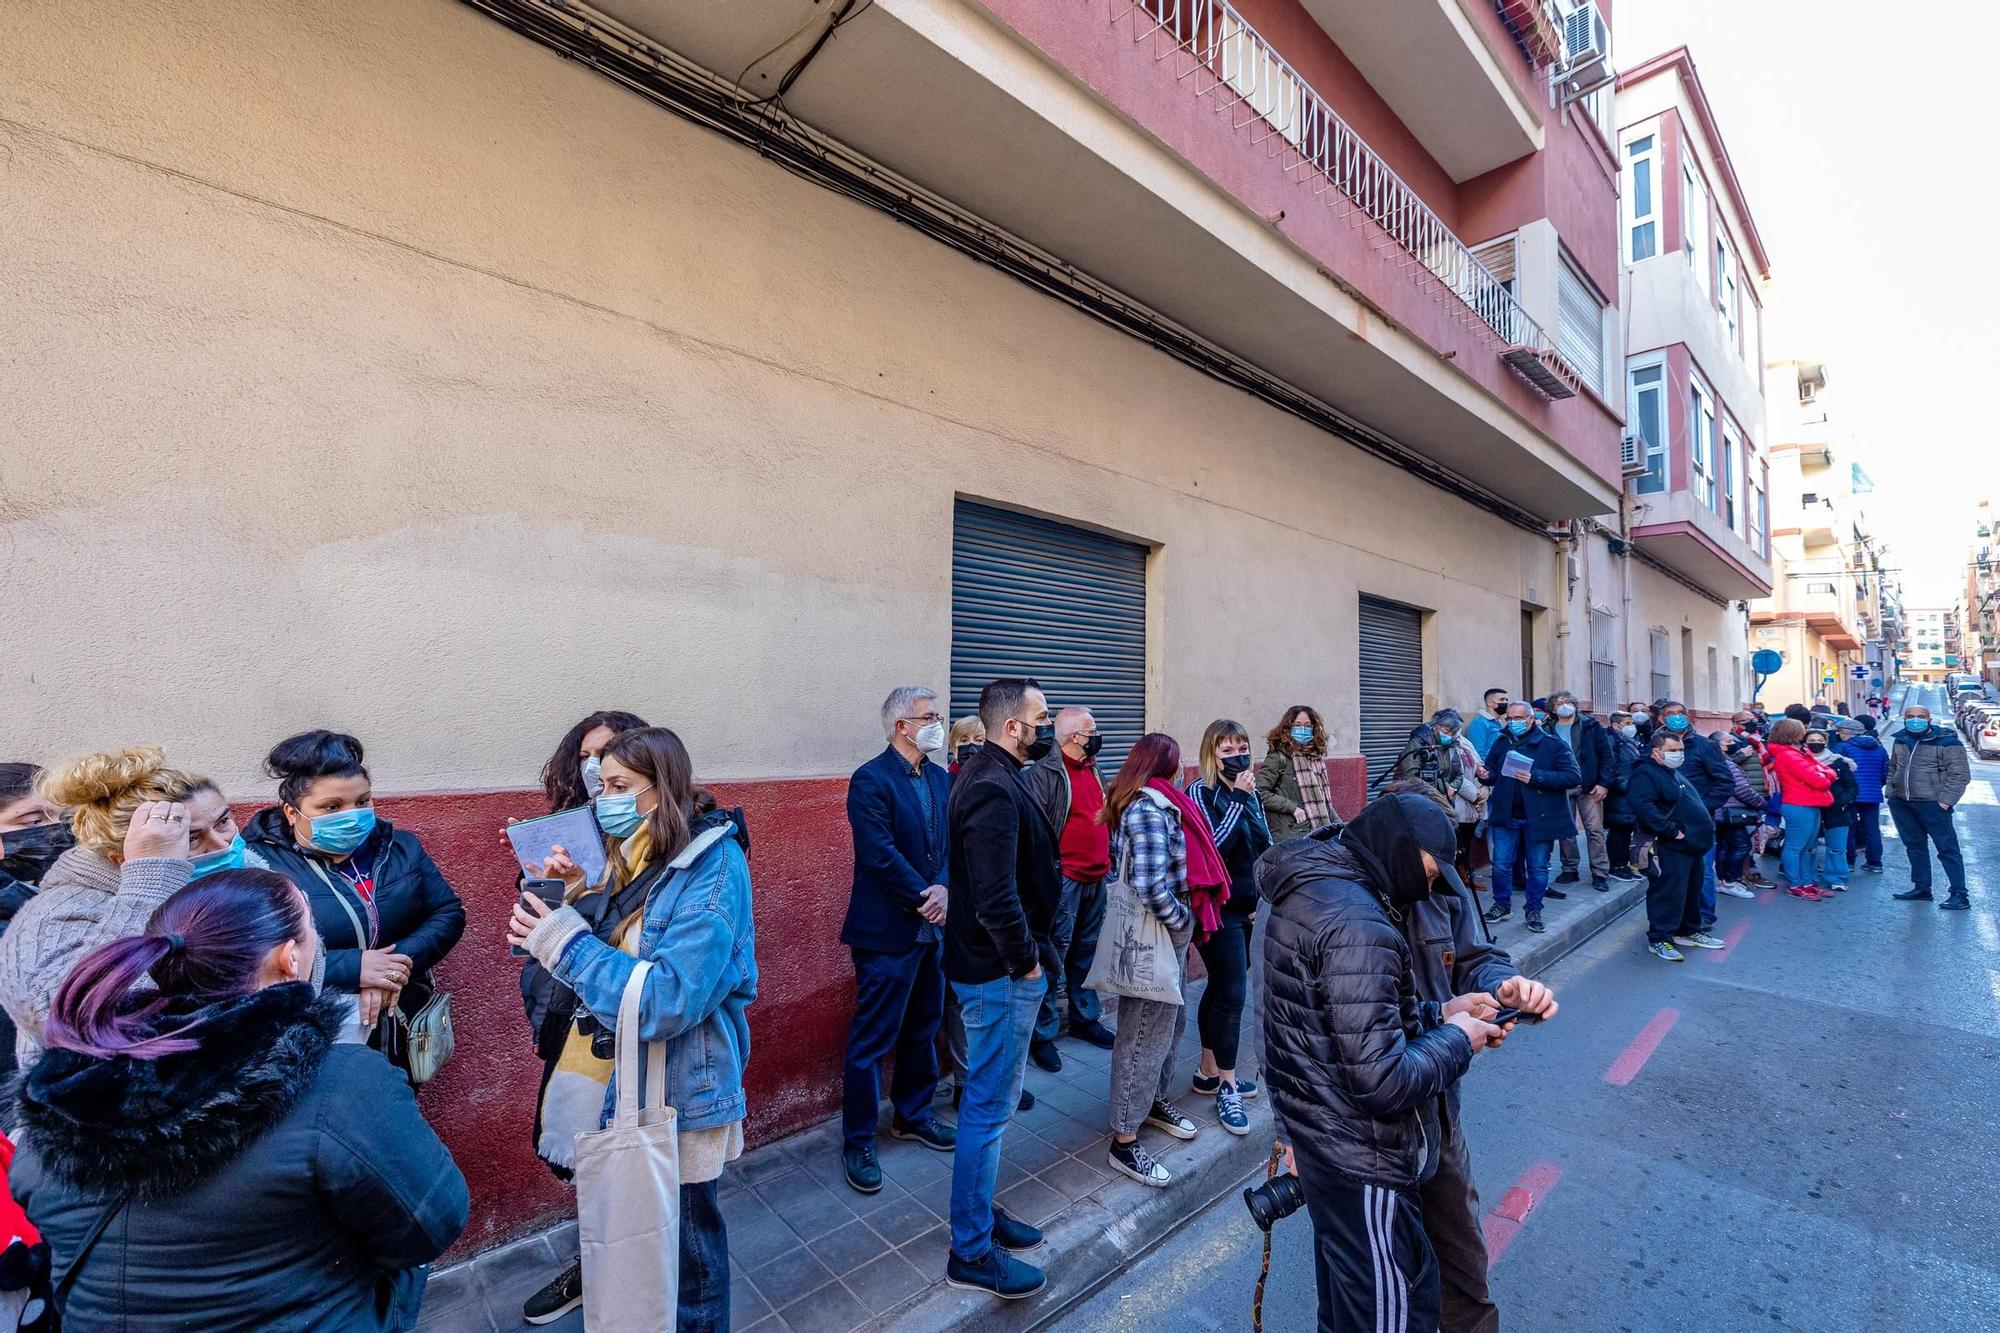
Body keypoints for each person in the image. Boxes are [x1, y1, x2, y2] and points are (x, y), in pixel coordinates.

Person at [10, 868, 468, 1329]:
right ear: (290, 958)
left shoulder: (64, 1101)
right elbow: (428, 1225)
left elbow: (37, 1201)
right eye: (312, 927)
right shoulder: (340, 1083)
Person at [511, 726, 757, 1331]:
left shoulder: (713, 866)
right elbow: (611, 948)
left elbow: (667, 998)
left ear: (662, 788)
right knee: (637, 1240)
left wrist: (562, 940)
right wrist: (569, 897)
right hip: (618, 1079)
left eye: (619, 785)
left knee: (691, 1258)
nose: (604, 799)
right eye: (599, 784)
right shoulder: (627, 853)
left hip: (679, 1092)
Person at [1258, 793, 1504, 1333]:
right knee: (1389, 1316)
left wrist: (1442, 1011)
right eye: (1431, 872)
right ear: (1400, 849)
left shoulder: (1323, 892)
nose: (1432, 888)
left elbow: (1337, 1021)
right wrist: (1460, 1038)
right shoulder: (1359, 922)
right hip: (1362, 1156)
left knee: (1349, 1311)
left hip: (1332, 1146)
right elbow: (1382, 1079)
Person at [1377, 778, 1558, 1333]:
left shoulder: (1445, 890)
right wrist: (1288, 1132)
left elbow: (1478, 955)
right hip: (1366, 1119)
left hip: (1437, 1102)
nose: (1439, 871)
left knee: (1459, 1245)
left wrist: (1505, 989)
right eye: (1432, 854)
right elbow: (1288, 1024)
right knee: (1378, 1270)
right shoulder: (1344, 903)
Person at [512, 710, 648, 1326]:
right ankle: (595, 1265)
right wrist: (548, 882)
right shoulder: (565, 832)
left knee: (639, 1156)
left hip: (636, 1024)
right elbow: (532, 934)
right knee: (586, 1153)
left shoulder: (673, 836)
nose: (603, 767)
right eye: (592, 757)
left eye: (617, 755)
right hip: (570, 1019)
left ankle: (638, 1270)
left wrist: (593, 903)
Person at [0, 748, 239, 1068]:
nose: (223, 844)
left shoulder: (226, 881)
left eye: (223, 821)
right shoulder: (47, 917)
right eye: (191, 838)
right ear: (124, 857)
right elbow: (62, 1020)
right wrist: (150, 882)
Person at [940, 678, 1059, 1299]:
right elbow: (994, 897)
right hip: (997, 973)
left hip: (996, 969)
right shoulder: (990, 787)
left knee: (995, 1105)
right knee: (986, 1109)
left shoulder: (992, 774)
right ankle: (971, 1249)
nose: (1047, 727)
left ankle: (981, 1214)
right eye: (1041, 717)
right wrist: (1028, 965)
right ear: (1013, 727)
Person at [244, 731, 465, 1050]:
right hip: (307, 1033)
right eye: (331, 807)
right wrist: (354, 969)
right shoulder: (258, 864)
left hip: (400, 1024)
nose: (351, 815)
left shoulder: (400, 847)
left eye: (362, 802)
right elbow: (249, 955)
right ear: (292, 813)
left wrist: (392, 969)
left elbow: (447, 913)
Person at [837, 687, 957, 1196]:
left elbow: (953, 842)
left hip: (934, 926)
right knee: (872, 1038)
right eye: (929, 717)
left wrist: (946, 888)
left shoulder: (939, 779)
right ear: (901, 726)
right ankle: (859, 1140)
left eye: (938, 716)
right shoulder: (870, 780)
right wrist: (924, 897)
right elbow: (878, 853)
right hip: (888, 931)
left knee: (924, 1025)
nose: (938, 723)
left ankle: (913, 1114)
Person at [1100, 734, 1227, 1186]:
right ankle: (1125, 1140)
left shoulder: (1151, 801)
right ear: (1166, 766)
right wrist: (1180, 919)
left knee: (1168, 1023)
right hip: (1156, 929)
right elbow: (1151, 884)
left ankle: (1150, 1102)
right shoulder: (1149, 809)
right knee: (1142, 1033)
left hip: (1163, 929)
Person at [1186, 720, 1272, 1133]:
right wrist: (1238, 799)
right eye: (1227, 750)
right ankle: (1227, 1084)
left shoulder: (1248, 794)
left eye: (1242, 747)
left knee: (1221, 989)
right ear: (1211, 755)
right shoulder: (1199, 793)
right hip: (1218, 911)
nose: (1237, 756)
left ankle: (1206, 1070)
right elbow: (1212, 848)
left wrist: (1264, 895)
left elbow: (1262, 845)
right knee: (1234, 995)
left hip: (1250, 908)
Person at [1021, 706, 1116, 1071]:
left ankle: (1084, 1018)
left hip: (1097, 878)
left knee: (1087, 953)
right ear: (1075, 736)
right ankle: (1041, 1035)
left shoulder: (1093, 768)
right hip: (1064, 881)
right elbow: (1036, 833)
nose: (1096, 735)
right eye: (1091, 729)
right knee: (1053, 956)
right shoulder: (1044, 774)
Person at [1479, 703, 1580, 933]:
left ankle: (1534, 909)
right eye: (1510, 717)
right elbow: (1493, 772)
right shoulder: (1502, 742)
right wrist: (1485, 775)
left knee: (1537, 868)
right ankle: (1501, 905)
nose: (1513, 721)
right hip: (1506, 816)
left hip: (1539, 818)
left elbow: (1573, 776)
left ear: (1531, 719)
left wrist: (1536, 777)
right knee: (1501, 865)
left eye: (1519, 717)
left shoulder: (1553, 745)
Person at [1626, 731, 1723, 961]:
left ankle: (1687, 930)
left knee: (1690, 890)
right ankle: (1660, 938)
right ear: (1656, 752)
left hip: (1690, 845)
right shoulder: (1646, 773)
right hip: (1668, 845)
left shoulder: (1669, 771)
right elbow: (1643, 806)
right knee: (1667, 892)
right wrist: (1671, 830)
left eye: (1680, 750)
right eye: (1672, 751)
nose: (1678, 755)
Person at [1656, 702, 1737, 937]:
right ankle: (1677, 918)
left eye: (1680, 714)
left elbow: (1725, 782)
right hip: (1666, 821)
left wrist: (1702, 807)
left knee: (1702, 870)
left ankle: (1703, 916)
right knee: (1671, 872)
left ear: (1688, 717)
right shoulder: (1653, 744)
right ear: (1662, 719)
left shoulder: (1705, 746)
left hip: (1699, 822)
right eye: (1670, 714)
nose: (1676, 718)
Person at [1885, 705, 1971, 910]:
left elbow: (1960, 775)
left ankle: (1959, 894)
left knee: (1947, 849)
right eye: (1911, 717)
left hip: (1933, 805)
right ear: (1904, 719)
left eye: (1921, 717)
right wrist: (1891, 792)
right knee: (1915, 847)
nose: (1916, 720)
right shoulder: (1901, 739)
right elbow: (1893, 767)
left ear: (1929, 720)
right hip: (1902, 803)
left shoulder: (1947, 742)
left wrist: (1945, 801)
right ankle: (1922, 888)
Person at [1391, 710, 1485, 875]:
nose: (1450, 735)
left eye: (1453, 732)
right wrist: (1442, 787)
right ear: (1434, 727)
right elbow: (1411, 778)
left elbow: (1458, 774)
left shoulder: (1453, 745)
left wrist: (1453, 786)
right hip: (1420, 800)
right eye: (1446, 731)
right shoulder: (1418, 743)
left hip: (1443, 800)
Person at [1543, 692, 1614, 891]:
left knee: (1595, 831)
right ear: (1553, 708)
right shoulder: (1547, 729)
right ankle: (1569, 869)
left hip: (1589, 786)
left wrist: (1604, 783)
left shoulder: (1591, 726)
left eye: (1568, 702)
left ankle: (1600, 872)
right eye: (1559, 703)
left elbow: (1606, 756)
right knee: (1566, 831)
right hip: (1561, 786)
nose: (1564, 706)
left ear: (1575, 705)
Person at [1764, 718, 1834, 901]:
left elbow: (1825, 772)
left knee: (1808, 847)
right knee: (1797, 847)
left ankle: (1807, 882)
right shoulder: (1789, 755)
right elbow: (1821, 779)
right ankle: (1796, 883)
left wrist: (1825, 774)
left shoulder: (1797, 753)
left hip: (1808, 803)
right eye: (1802, 729)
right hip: (1799, 804)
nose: (1805, 731)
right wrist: (1826, 775)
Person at [1257, 706, 1335, 841]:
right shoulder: (1278, 758)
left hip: (1316, 831)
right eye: (1297, 725)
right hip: (1290, 833)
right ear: (1287, 728)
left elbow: (1325, 802)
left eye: (1307, 725)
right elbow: (1259, 792)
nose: (1303, 730)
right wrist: (1292, 807)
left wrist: (1338, 826)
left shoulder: (1315, 759)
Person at [1804, 729, 1858, 894]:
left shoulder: (1839, 763)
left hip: (1836, 810)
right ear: (1805, 743)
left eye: (1819, 740)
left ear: (1825, 742)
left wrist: (1843, 800)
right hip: (1809, 808)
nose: (1815, 743)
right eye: (1811, 739)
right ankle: (1807, 878)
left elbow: (1852, 786)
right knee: (1808, 847)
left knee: (1837, 847)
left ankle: (1837, 878)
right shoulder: (1800, 761)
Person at [1836, 716, 1888, 875]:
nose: (1839, 735)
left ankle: (1849, 861)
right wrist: (1877, 785)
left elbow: (1838, 770)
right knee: (1872, 829)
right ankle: (1875, 862)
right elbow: (1886, 771)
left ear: (1847, 733)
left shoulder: (1844, 748)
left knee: (1849, 828)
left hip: (1851, 794)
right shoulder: (1879, 748)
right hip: (1873, 793)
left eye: (1841, 732)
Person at [1602, 713, 1643, 881]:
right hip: (1619, 793)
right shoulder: (1611, 740)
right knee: (1619, 831)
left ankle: (1624, 864)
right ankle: (1616, 865)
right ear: (1616, 724)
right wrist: (1624, 786)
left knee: (1626, 830)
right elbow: (1611, 766)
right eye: (1627, 723)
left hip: (1629, 792)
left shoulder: (1627, 741)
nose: (1631, 726)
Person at [1463, 688, 1510, 763]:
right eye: (1501, 700)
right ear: (1489, 703)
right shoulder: (1479, 723)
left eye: (1506, 700)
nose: (1505, 703)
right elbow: (1477, 753)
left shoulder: (1499, 722)